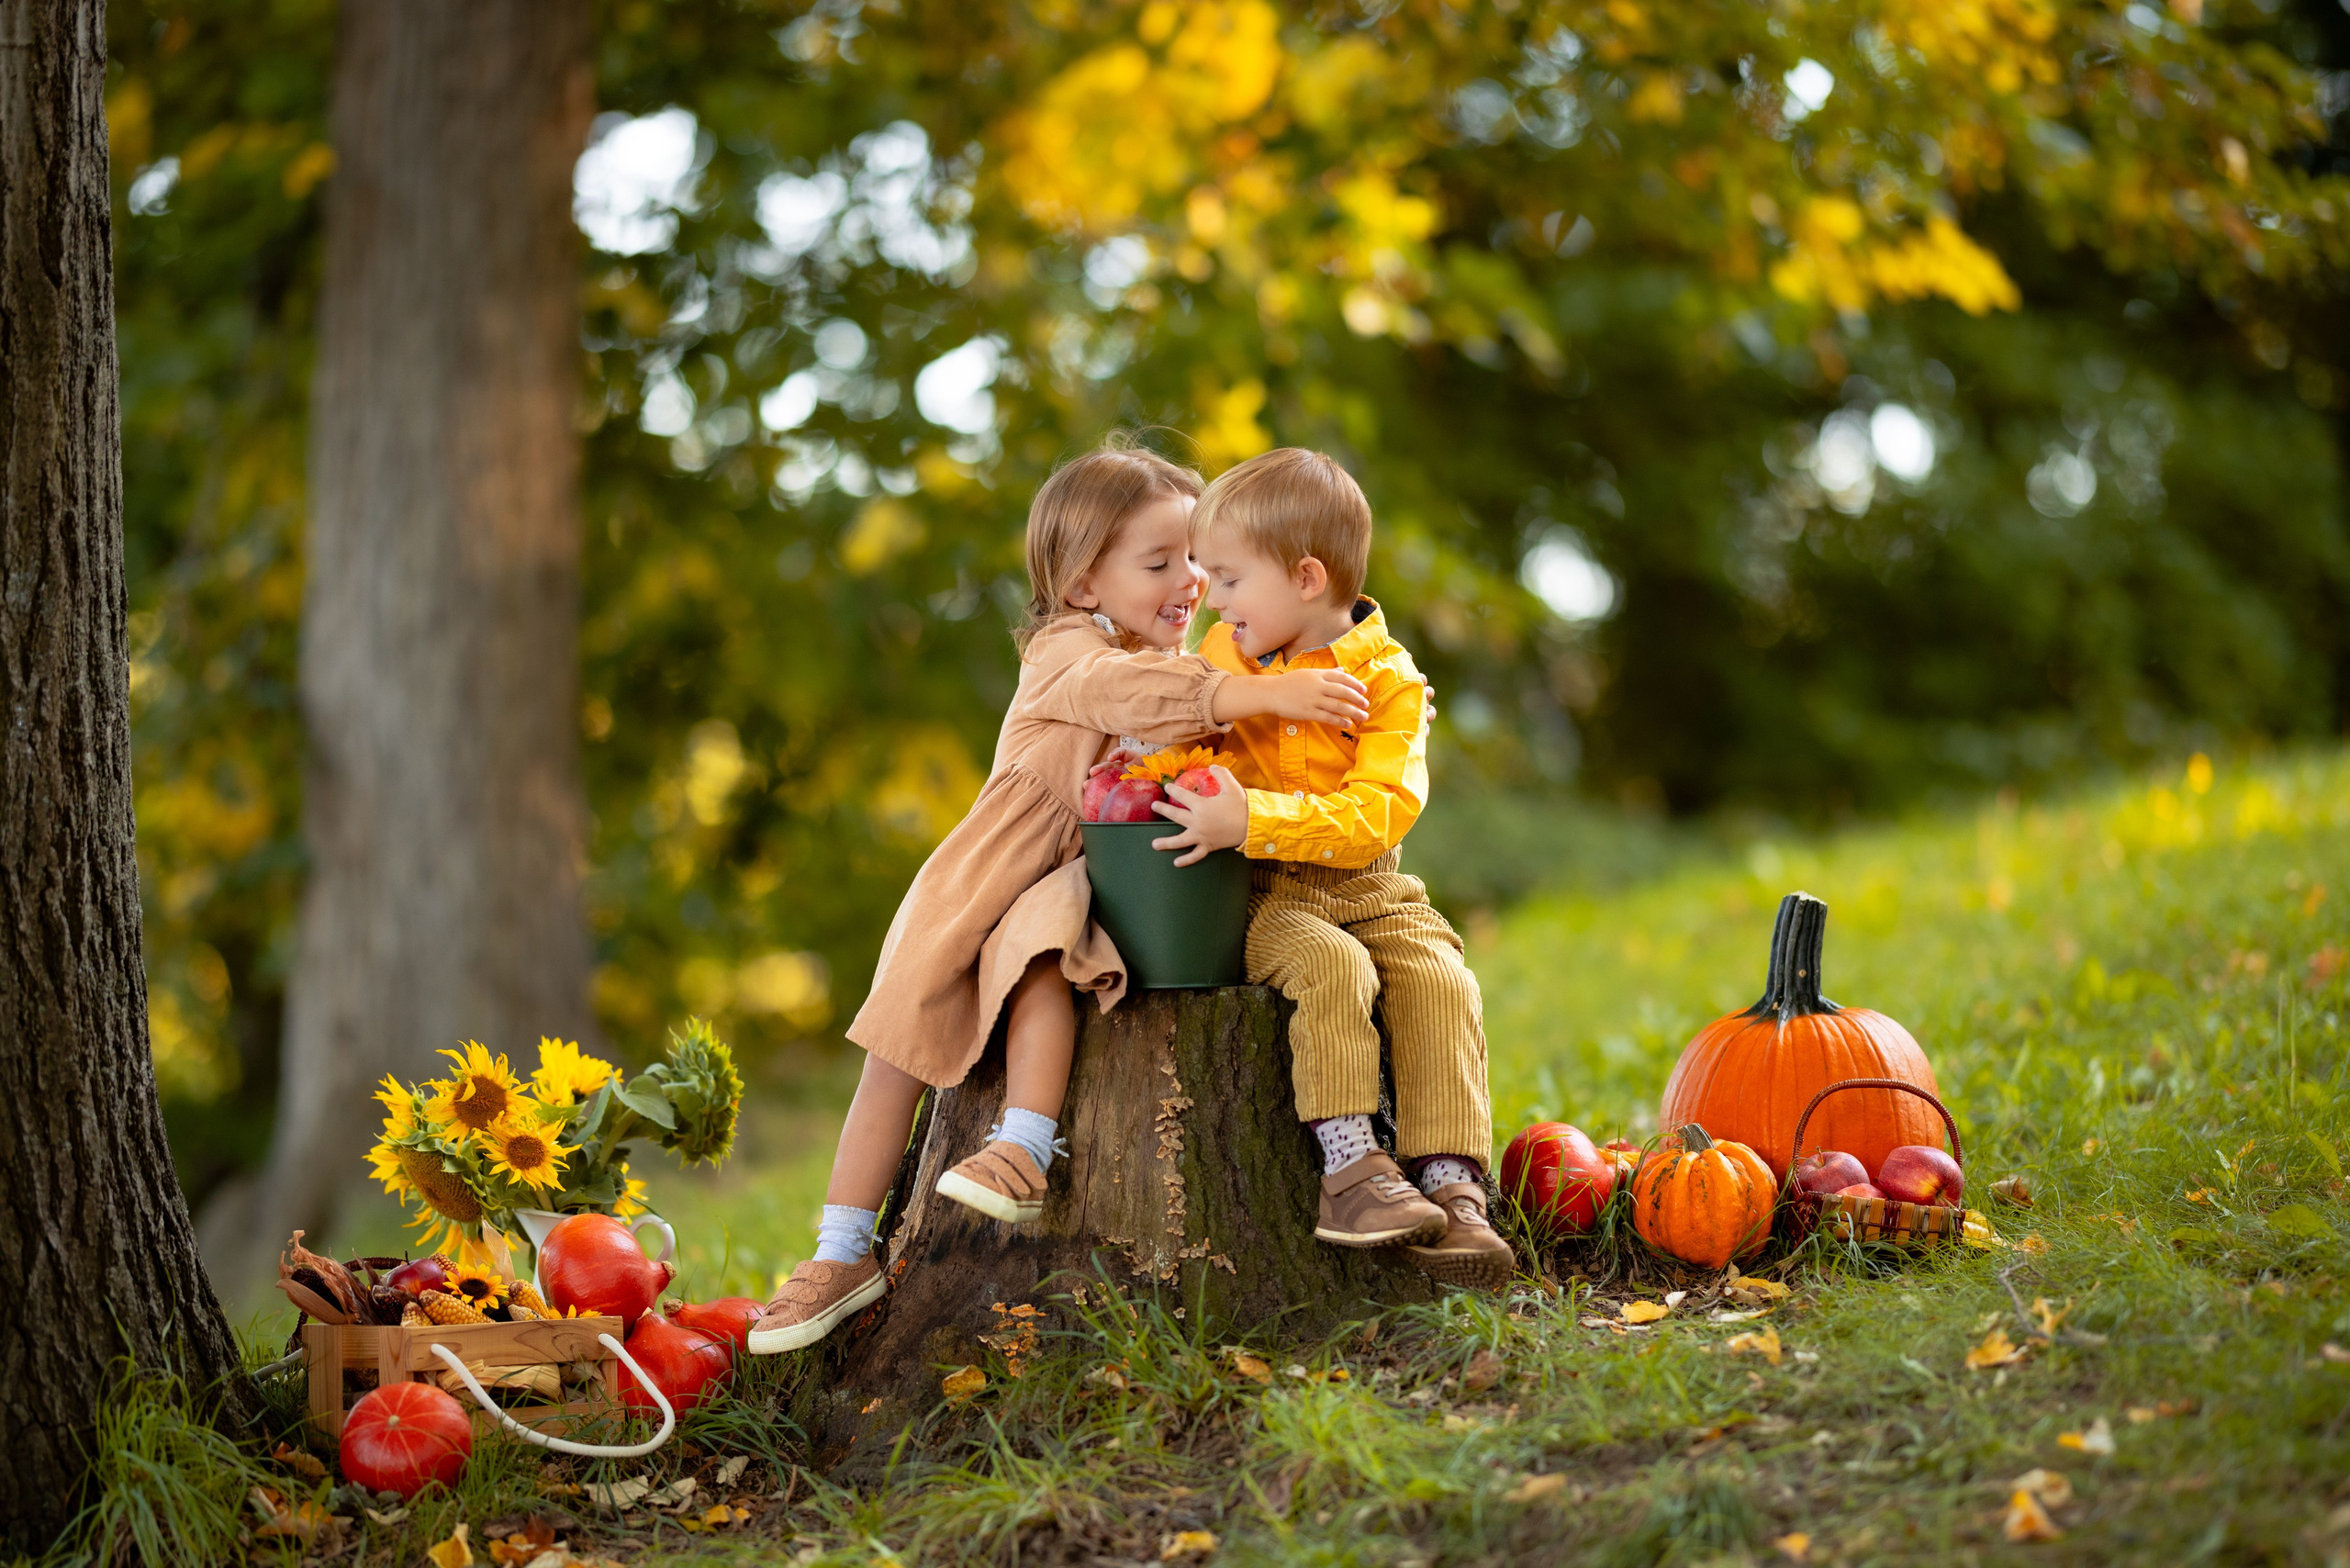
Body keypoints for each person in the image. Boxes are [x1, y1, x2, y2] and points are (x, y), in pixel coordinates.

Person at [747, 440, 1372, 1354]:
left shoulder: (1173, 651)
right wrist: (1258, 691)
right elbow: (1133, 696)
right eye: (1160, 562)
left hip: (1067, 880)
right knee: (897, 1048)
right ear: (1081, 583)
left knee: (1046, 967)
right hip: (988, 875)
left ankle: (1025, 1148)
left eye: (1197, 558)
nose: (1191, 580)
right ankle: (840, 1250)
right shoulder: (1067, 652)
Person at [1147, 447, 1513, 1289]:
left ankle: (1451, 1185)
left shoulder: (1389, 681)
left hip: (1372, 885)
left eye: (1231, 579)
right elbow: (1175, 745)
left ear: (1306, 577)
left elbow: (1376, 813)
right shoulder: (1223, 663)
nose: (1215, 598)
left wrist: (1253, 814)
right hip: (1265, 892)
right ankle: (1352, 1173)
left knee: (1440, 978)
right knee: (1331, 967)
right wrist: (1208, 789)